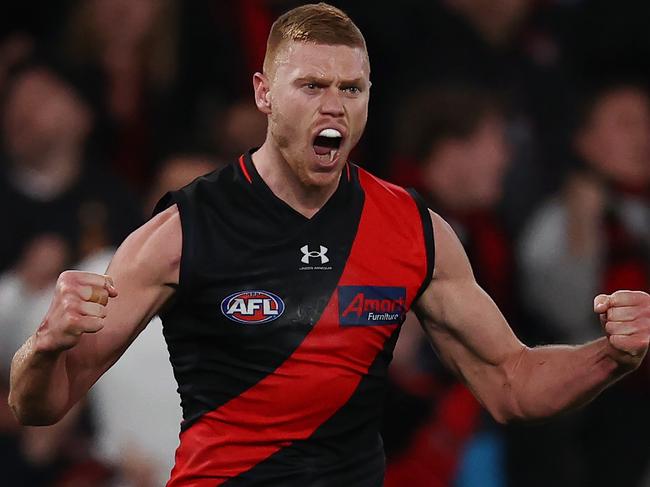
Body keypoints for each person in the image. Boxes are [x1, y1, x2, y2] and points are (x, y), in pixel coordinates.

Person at [8, 4, 650, 486]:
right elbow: (44, 403)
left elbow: (512, 384)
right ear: (264, 94)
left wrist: (611, 357)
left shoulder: (414, 230)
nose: (334, 107)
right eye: (312, 87)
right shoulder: (183, 229)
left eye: (351, 90)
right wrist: (43, 346)